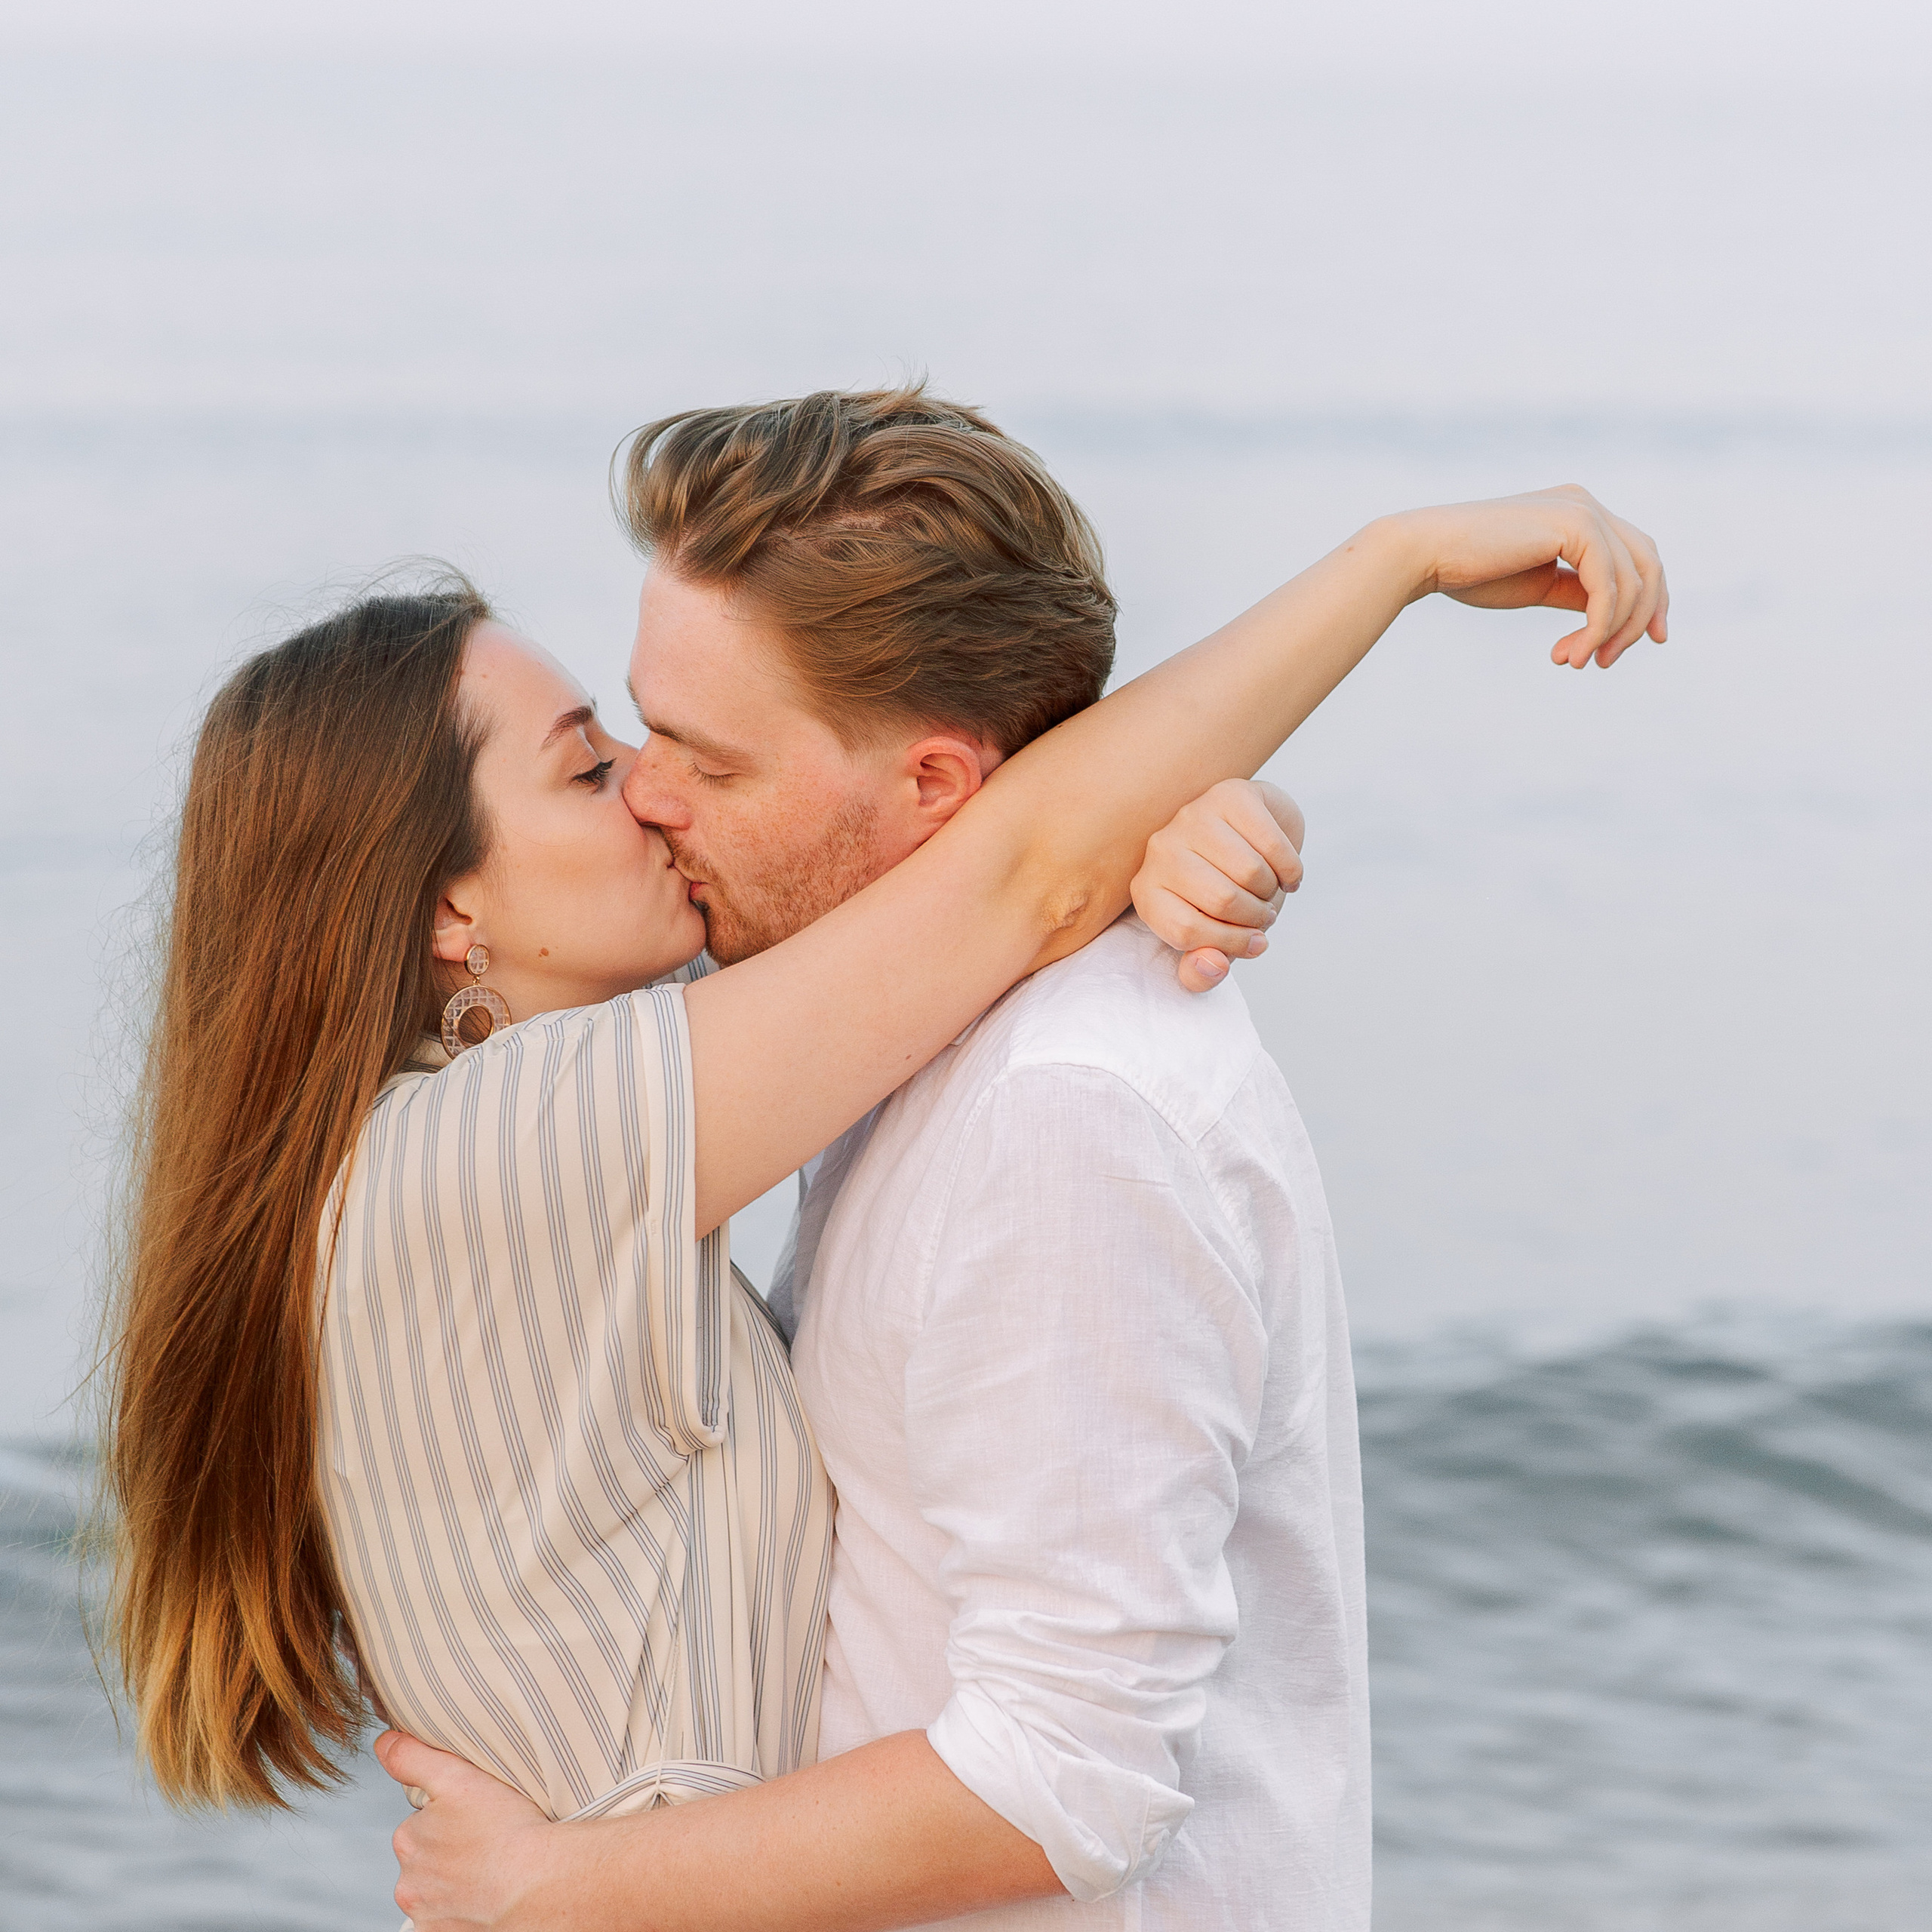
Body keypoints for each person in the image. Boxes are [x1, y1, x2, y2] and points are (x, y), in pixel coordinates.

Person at [371, 387, 1667, 1932]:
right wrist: (1198, 819)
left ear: (932, 786)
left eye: (703, 760)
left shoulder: (1062, 1114)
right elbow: (1033, 855)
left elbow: (1070, 1776)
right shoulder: (866, 1026)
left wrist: (557, 1886)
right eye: (632, 736)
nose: (651, 793)